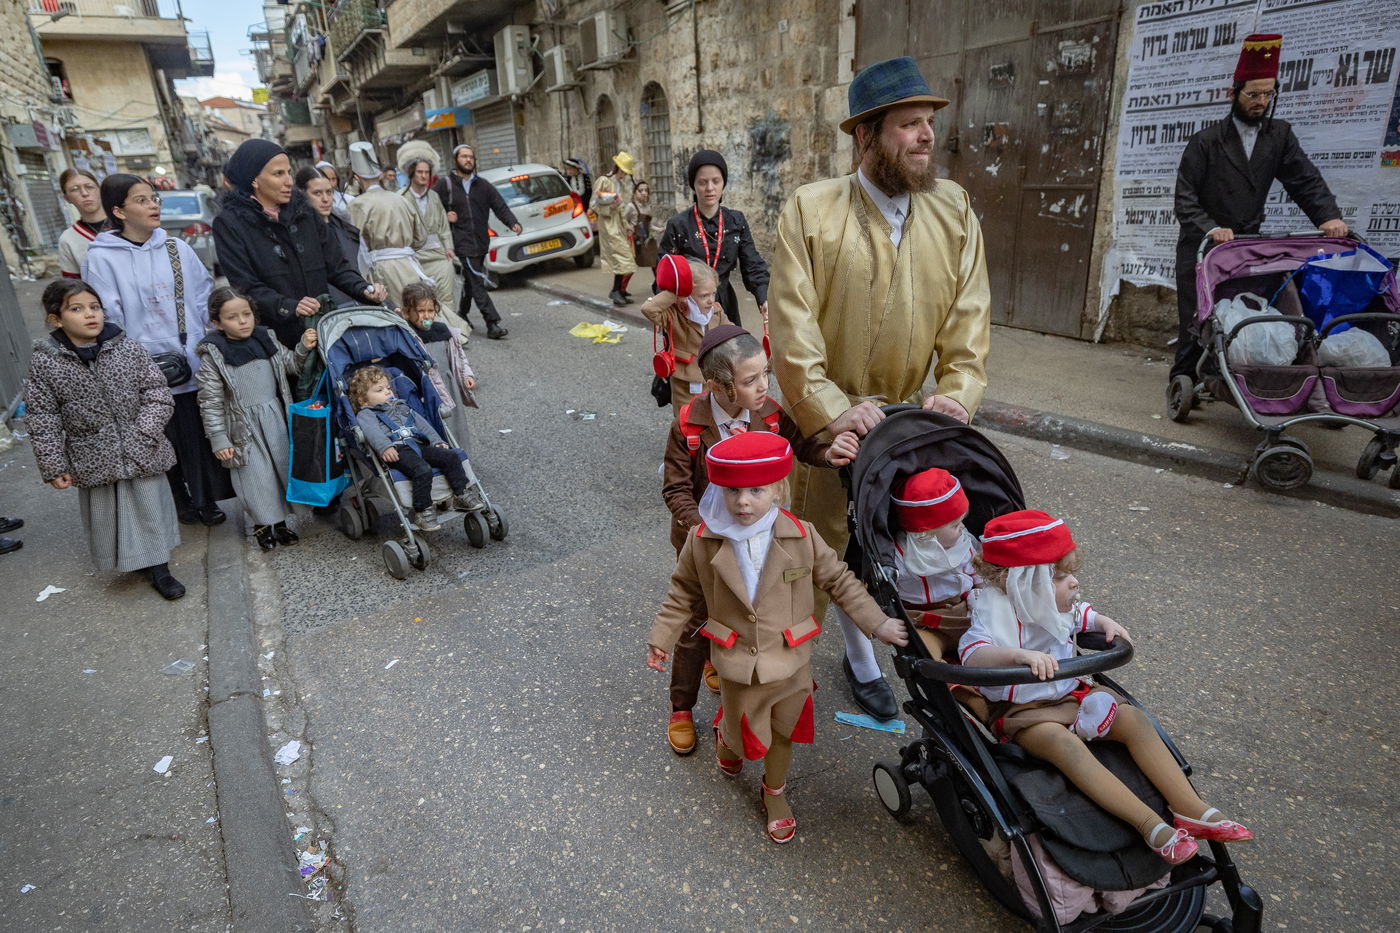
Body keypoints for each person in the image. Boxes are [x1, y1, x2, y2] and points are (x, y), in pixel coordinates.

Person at [768, 56, 992, 720]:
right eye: (908, 124)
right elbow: (791, 326)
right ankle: (819, 665)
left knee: (895, 542)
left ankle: (886, 653)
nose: (926, 136)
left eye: (929, 122)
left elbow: (969, 317)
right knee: (823, 549)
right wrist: (831, 411)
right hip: (829, 421)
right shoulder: (812, 210)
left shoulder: (954, 209)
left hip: (906, 421)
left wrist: (956, 393)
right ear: (865, 135)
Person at [647, 432, 908, 844]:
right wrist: (662, 636)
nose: (743, 502)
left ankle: (774, 792)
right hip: (737, 662)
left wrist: (877, 623)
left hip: (790, 659)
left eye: (756, 490)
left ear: (779, 490)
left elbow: (839, 580)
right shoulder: (702, 540)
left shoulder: (802, 535)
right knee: (742, 734)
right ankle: (727, 739)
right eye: (732, 490)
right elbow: (682, 592)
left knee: (783, 733)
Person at [960, 509, 1253, 865]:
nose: (1074, 583)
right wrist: (1016, 655)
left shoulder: (1055, 604)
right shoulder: (992, 613)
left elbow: (1081, 614)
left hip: (1072, 695)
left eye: (1071, 574)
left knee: (1134, 720)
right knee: (1064, 745)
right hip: (1024, 713)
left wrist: (1103, 622)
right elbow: (973, 655)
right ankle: (1149, 825)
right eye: (1061, 577)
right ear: (1024, 583)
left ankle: (1190, 807)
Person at [659, 324, 860, 756]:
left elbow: (801, 447)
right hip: (706, 541)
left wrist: (829, 453)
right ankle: (681, 707)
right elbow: (675, 490)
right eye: (751, 380)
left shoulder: (768, 414)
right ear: (718, 385)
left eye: (764, 373)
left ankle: (722, 663)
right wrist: (704, 533)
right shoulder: (688, 424)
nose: (764, 385)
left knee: (742, 612)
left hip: (758, 539)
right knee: (697, 620)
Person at [1170, 33, 1346, 391]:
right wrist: (1211, 228)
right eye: (1253, 94)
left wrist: (1327, 217)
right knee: (1197, 315)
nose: (1261, 102)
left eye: (1268, 94)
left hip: (1245, 244)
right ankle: (1183, 377)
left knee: (1241, 314)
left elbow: (1304, 180)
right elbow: (1185, 199)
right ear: (1233, 94)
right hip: (1204, 244)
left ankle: (1242, 378)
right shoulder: (1206, 142)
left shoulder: (1279, 136)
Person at [83, 173, 232, 528]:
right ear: (118, 211)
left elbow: (202, 297)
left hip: (187, 357)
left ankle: (205, 499)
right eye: (142, 200)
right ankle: (177, 501)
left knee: (195, 431)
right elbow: (108, 315)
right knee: (158, 436)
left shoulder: (176, 248)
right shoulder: (101, 259)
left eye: (154, 199)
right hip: (138, 366)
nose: (153, 206)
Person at [26, 280, 184, 599]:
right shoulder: (46, 362)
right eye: (77, 309)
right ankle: (132, 560)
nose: (90, 314)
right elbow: (42, 416)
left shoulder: (127, 348)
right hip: (92, 453)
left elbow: (157, 392)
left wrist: (144, 432)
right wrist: (54, 465)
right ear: (56, 319)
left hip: (142, 447)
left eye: (95, 307)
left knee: (148, 507)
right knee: (110, 513)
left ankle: (160, 568)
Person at [214, 139, 386, 349]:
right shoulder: (230, 224)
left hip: (322, 330)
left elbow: (337, 266)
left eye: (288, 172)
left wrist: (364, 289)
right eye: (278, 174)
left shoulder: (305, 213)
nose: (289, 181)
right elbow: (246, 286)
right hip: (276, 341)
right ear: (254, 180)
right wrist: (289, 306)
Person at [195, 287, 314, 550]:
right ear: (216, 323)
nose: (242, 321)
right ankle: (262, 525)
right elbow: (210, 401)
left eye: (246, 314)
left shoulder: (265, 338)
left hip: (275, 420)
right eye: (232, 317)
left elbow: (291, 364)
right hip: (243, 428)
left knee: (281, 471)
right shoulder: (213, 354)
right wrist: (219, 438)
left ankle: (281, 524)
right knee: (256, 479)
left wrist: (303, 347)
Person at [350, 365, 475, 533]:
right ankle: (422, 510)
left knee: (451, 456)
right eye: (379, 390)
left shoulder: (402, 406)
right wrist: (385, 447)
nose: (387, 392)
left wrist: (436, 441)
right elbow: (373, 433)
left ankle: (461, 494)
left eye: (388, 388)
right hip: (396, 451)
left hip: (418, 445)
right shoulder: (366, 414)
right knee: (422, 469)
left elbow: (423, 426)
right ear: (364, 400)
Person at [660, 150, 769, 330]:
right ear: (693, 185)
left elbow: (752, 263)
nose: (710, 188)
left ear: (723, 183)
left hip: (724, 303)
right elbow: (665, 271)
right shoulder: (678, 225)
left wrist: (763, 297)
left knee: (729, 346)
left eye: (716, 181)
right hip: (688, 307)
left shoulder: (736, 221)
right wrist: (665, 308)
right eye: (702, 182)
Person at [890, 468, 981, 659]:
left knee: (996, 637)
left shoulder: (963, 543)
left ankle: (982, 665)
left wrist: (984, 597)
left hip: (965, 613)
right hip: (925, 624)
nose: (963, 527)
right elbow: (886, 590)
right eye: (955, 525)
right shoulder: (899, 556)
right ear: (926, 534)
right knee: (926, 655)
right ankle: (946, 676)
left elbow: (979, 575)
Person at [396, 282, 485, 478]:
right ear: (407, 312)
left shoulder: (443, 331)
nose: (426, 316)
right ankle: (443, 463)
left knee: (456, 424)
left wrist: (467, 376)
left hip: (448, 386)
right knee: (435, 427)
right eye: (420, 311)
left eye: (430, 310)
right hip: (426, 392)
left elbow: (459, 358)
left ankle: (462, 460)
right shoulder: (407, 335)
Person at [433, 144, 520, 340]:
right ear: (456, 160)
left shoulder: (483, 185)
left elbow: (500, 206)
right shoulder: (445, 185)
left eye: (471, 157)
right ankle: (492, 322)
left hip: (481, 242)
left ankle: (462, 314)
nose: (468, 160)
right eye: (464, 156)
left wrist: (513, 223)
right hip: (461, 242)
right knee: (477, 280)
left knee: (471, 281)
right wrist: (445, 216)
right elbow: (430, 210)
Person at [346, 142, 432, 314]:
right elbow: (421, 237)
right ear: (380, 175)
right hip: (409, 264)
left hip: (383, 269)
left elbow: (352, 242)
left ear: (357, 178)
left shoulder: (358, 204)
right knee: (419, 311)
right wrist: (403, 249)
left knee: (397, 313)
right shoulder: (400, 199)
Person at [640, 255, 731, 415]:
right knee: (686, 418)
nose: (710, 300)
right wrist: (675, 292)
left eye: (713, 294)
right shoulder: (674, 315)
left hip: (712, 377)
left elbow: (733, 334)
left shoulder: (716, 311)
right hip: (685, 380)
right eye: (704, 296)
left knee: (711, 417)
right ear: (687, 294)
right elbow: (648, 309)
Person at [398, 142, 469, 336]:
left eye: (427, 172)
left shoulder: (435, 197)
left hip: (437, 255)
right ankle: (421, 333)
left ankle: (449, 333)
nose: (424, 176)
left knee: (446, 295)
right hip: (414, 257)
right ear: (411, 173)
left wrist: (449, 247)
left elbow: (444, 226)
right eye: (420, 172)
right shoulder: (401, 198)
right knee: (419, 299)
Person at [294, 164, 369, 304]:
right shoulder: (297, 234)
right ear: (302, 194)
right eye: (317, 193)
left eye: (329, 192)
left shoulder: (345, 226)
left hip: (357, 299)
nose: (325, 199)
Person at [593, 151, 637, 305]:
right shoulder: (604, 181)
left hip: (618, 224)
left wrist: (626, 225)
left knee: (625, 257)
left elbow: (621, 208)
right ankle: (616, 290)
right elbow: (594, 204)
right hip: (608, 225)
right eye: (623, 171)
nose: (624, 175)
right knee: (622, 256)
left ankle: (619, 291)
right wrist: (610, 207)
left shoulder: (621, 185)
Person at [57, 168, 105, 278]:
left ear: (99, 189)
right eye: (75, 189)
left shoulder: (127, 223)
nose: (84, 193)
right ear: (67, 198)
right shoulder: (68, 240)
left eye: (89, 187)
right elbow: (73, 284)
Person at [623, 180, 658, 286]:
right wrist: (628, 227)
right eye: (640, 190)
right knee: (632, 266)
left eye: (646, 190)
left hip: (647, 239)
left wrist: (659, 229)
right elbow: (621, 220)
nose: (644, 193)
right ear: (635, 192)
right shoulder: (631, 206)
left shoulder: (648, 206)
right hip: (635, 240)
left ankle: (660, 285)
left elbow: (649, 225)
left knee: (655, 261)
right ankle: (621, 289)